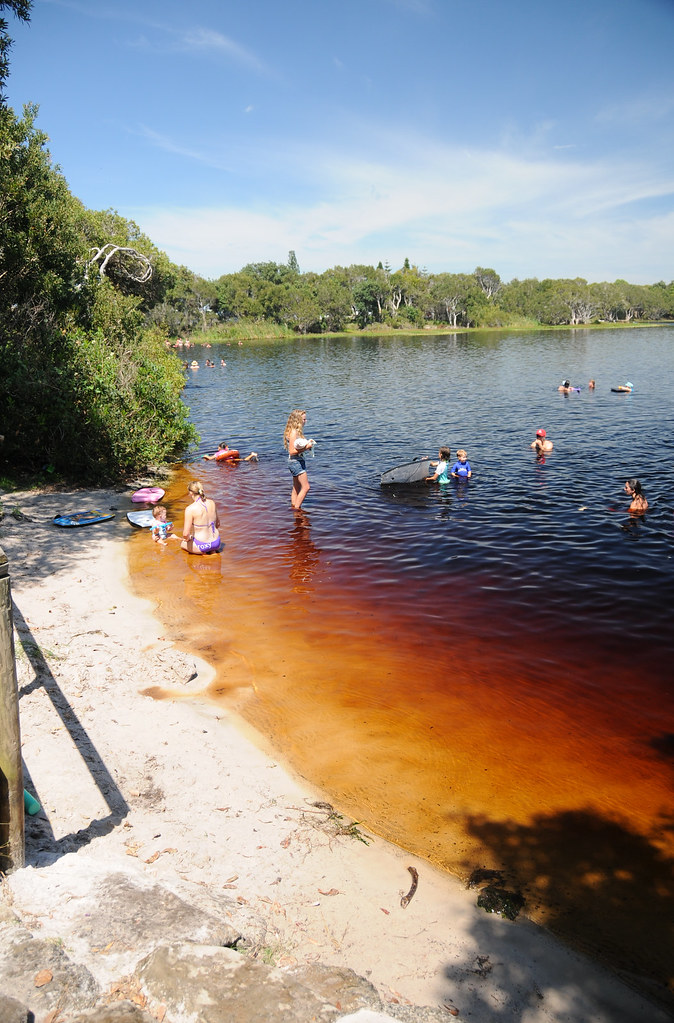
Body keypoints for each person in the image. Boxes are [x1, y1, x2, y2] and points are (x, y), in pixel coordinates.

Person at [284, 409, 315, 509]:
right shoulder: (294, 432)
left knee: (296, 488)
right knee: (306, 487)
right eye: (304, 419)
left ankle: (294, 508)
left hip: (295, 461)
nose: (306, 421)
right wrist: (307, 447)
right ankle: (297, 510)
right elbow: (292, 451)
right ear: (298, 420)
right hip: (296, 462)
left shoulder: (294, 432)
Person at [181, 481, 221, 555]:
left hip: (202, 545)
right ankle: (213, 551)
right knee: (211, 545)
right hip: (216, 543)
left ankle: (204, 554)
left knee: (182, 543)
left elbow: (186, 533)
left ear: (191, 493)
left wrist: (188, 538)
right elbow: (218, 524)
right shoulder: (212, 502)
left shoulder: (190, 509)